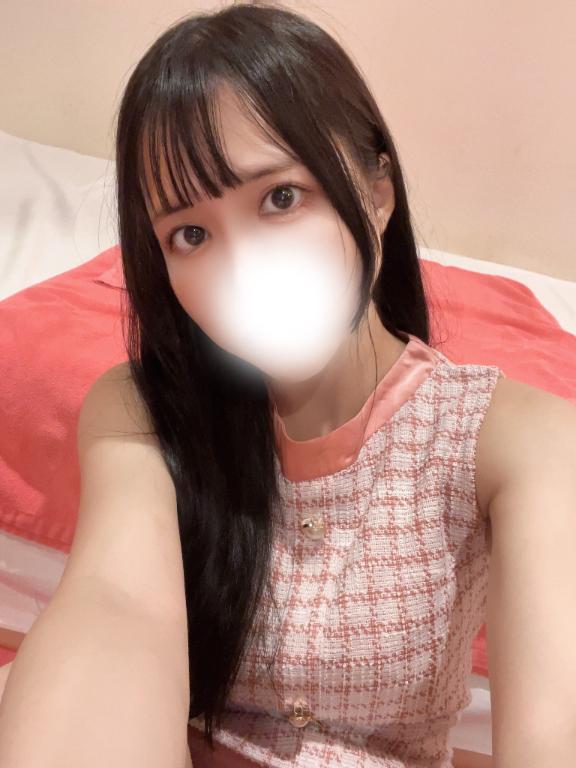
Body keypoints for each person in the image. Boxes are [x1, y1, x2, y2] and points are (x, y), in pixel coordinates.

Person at [1, 4, 575, 768]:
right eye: (190, 234)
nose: (242, 269)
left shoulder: (517, 442)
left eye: (280, 197)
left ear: (377, 190)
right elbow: (115, 605)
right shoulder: (143, 410)